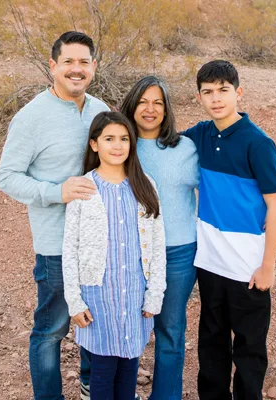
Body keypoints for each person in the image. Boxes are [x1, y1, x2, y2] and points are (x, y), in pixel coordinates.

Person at [0, 31, 109, 400]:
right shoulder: (31, 117)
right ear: (53, 66)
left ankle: (92, 383)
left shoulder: (100, 110)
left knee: (96, 317)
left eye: (83, 62)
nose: (76, 70)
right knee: (52, 328)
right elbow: (7, 177)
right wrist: (55, 192)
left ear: (93, 66)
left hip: (97, 240)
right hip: (56, 245)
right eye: (68, 62)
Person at [80, 76, 199, 400]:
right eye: (143, 101)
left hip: (176, 254)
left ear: (166, 109)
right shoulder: (119, 145)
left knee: (170, 331)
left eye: (158, 102)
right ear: (132, 105)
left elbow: (214, 191)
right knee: (104, 322)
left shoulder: (186, 148)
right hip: (125, 258)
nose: (150, 109)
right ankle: (93, 384)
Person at [182, 60, 276, 400]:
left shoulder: (258, 143)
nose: (216, 98)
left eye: (223, 90)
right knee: (211, 345)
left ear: (238, 93)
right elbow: (163, 143)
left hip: (248, 269)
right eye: (208, 92)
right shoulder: (201, 134)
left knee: (249, 350)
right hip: (210, 265)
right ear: (199, 97)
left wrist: (267, 266)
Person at [62, 111, 166, 400]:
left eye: (124, 139)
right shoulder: (84, 188)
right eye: (109, 139)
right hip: (98, 298)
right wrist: (75, 300)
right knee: (103, 374)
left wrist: (154, 293)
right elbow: (70, 248)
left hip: (135, 295)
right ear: (95, 144)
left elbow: (157, 246)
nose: (117, 145)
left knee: (129, 372)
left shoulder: (146, 185)